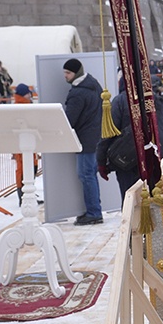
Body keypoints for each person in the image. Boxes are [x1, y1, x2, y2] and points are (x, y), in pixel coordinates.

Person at [61, 58, 104, 225]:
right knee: (90, 175)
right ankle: (94, 210)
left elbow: (70, 119)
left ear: (76, 73)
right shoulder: (94, 84)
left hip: (84, 140)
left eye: (68, 73)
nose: (65, 76)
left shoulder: (78, 93)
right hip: (96, 137)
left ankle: (94, 212)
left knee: (86, 175)